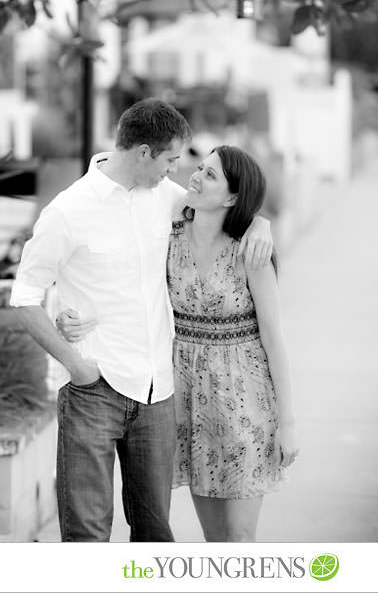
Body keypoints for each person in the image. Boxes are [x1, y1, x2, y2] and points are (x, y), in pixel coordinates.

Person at [10, 99, 273, 542]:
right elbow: (24, 298)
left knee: (154, 533)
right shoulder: (68, 211)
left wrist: (260, 223)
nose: (177, 171)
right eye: (171, 159)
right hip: (95, 389)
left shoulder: (170, 200)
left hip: (159, 394)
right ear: (144, 153)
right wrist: (76, 364)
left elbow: (228, 208)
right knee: (88, 533)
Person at [58, 145, 298, 542]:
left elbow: (275, 341)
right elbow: (129, 288)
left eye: (210, 175)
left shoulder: (250, 251)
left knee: (238, 538)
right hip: (186, 397)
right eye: (199, 168)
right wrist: (80, 316)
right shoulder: (168, 235)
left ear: (233, 197)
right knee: (213, 538)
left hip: (244, 398)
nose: (195, 177)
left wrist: (287, 424)